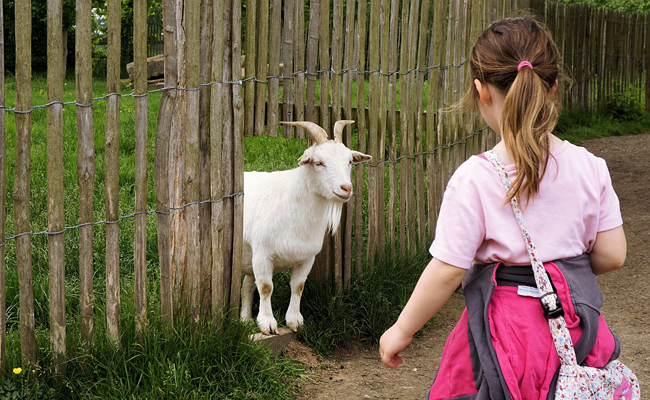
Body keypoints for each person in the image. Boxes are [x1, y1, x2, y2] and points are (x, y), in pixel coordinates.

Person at [379, 16, 628, 400]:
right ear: (554, 88)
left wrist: (402, 329)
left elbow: (447, 269)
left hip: (503, 338)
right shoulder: (590, 167)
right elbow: (612, 255)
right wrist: (559, 272)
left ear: (480, 91)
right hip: (576, 331)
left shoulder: (475, 178)